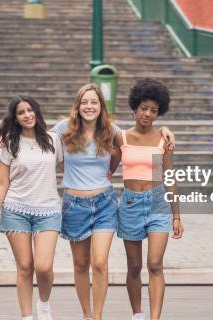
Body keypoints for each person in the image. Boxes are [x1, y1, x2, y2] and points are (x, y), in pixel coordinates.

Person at [52, 84, 175, 320]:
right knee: (80, 265)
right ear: (77, 106)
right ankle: (87, 315)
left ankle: (98, 316)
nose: (89, 106)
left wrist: (166, 130)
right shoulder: (63, 129)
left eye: (94, 102)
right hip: (74, 204)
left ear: (101, 106)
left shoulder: (112, 131)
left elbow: (141, 137)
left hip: (104, 203)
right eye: (84, 102)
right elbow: (42, 141)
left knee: (99, 263)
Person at [114, 78, 184, 320]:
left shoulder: (164, 139)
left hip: (157, 202)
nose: (147, 114)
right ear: (135, 108)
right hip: (130, 203)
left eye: (153, 110)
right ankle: (138, 315)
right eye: (144, 108)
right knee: (134, 267)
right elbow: (106, 170)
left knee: (155, 263)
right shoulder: (121, 138)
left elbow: (170, 176)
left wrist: (176, 215)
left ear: (159, 112)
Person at [0, 96, 63, 320]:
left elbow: (69, 166)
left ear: (37, 112)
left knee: (43, 266)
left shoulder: (53, 139)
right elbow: (2, 182)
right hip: (15, 210)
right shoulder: (9, 143)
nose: (27, 115)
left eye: (30, 110)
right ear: (16, 118)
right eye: (21, 112)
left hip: (48, 210)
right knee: (24, 267)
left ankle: (44, 303)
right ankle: (26, 316)